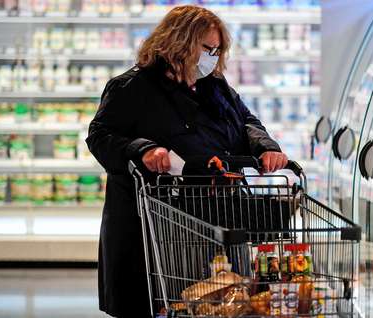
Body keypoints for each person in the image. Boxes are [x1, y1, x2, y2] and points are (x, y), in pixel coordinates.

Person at [86, 5, 288, 318]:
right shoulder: (133, 87)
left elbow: (246, 122)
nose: (212, 57)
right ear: (177, 42)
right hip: (158, 224)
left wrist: (265, 147)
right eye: (206, 48)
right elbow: (100, 135)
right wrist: (143, 150)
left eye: (217, 50)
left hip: (219, 215)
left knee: (221, 302)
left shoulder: (216, 86)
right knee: (169, 300)